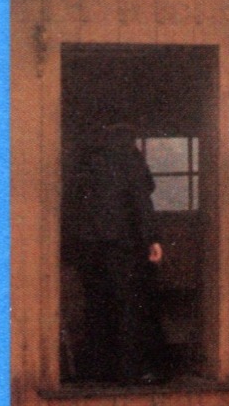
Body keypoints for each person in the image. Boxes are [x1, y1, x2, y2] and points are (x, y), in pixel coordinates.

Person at [67, 123, 164, 385]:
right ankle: (129, 371)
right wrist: (152, 238)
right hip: (123, 244)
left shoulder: (82, 160)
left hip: (88, 244)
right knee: (129, 306)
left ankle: (96, 371)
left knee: (96, 305)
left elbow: (71, 201)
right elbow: (142, 197)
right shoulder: (129, 158)